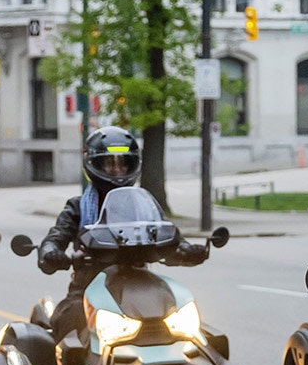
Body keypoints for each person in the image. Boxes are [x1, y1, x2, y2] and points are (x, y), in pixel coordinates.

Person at [37, 125, 208, 339]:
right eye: (109, 163)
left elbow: (171, 238)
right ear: (94, 164)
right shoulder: (78, 207)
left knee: (190, 327)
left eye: (123, 163)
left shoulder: (144, 206)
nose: (117, 169)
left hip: (142, 287)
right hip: (89, 288)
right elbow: (55, 237)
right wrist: (51, 252)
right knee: (68, 324)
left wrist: (188, 250)